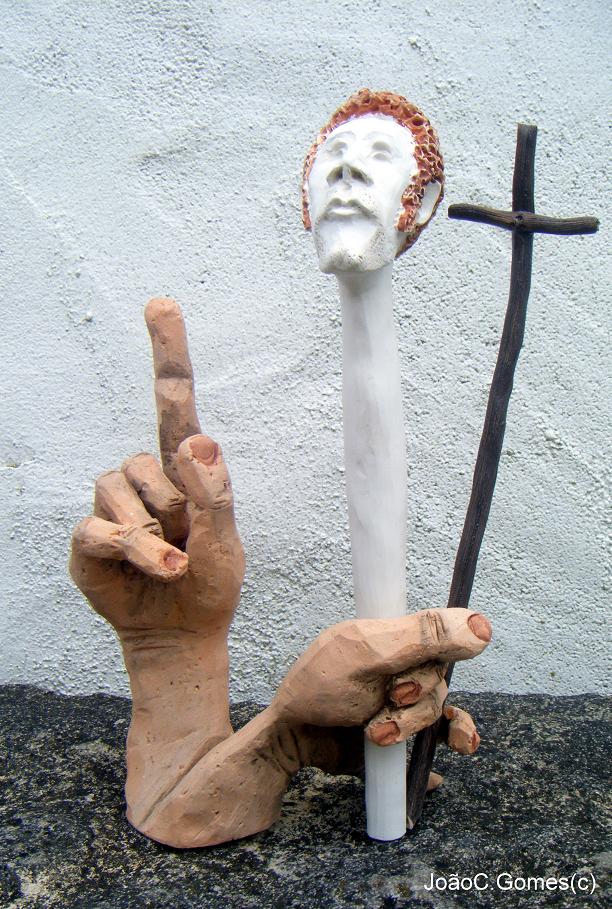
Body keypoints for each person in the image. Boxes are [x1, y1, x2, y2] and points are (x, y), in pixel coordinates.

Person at [69, 93, 492, 850]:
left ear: (423, 203)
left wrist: (286, 733)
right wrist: (176, 655)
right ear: (305, 203)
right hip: (190, 772)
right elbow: (184, 799)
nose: (347, 173)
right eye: (332, 160)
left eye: (378, 157)